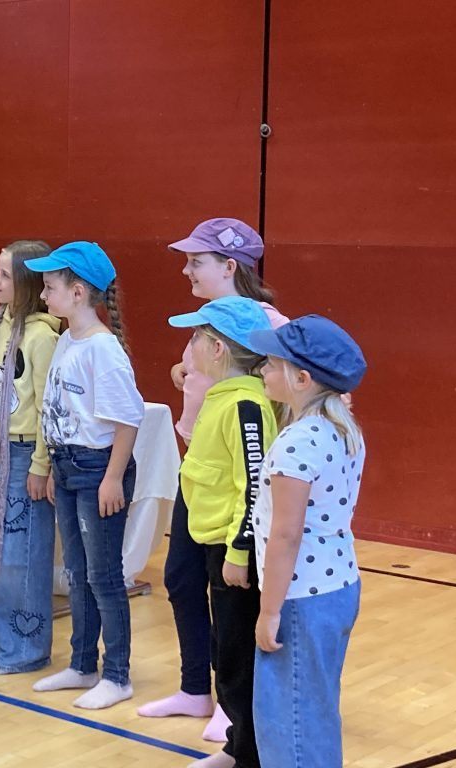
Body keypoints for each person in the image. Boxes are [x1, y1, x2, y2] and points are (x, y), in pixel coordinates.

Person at [140, 218, 288, 741]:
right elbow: (200, 371)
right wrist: (183, 372)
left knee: (229, 597)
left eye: (196, 261)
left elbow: (290, 394)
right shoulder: (207, 324)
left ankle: (235, 706)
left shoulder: (265, 326)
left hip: (234, 483)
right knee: (182, 579)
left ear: (229, 266)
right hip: (199, 469)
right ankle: (194, 689)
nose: (186, 270)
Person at [23, 241, 144, 710]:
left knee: (103, 576)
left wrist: (112, 478)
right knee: (76, 572)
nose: (43, 295)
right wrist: (56, 466)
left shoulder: (103, 349)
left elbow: (127, 421)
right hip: (69, 466)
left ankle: (117, 674)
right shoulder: (66, 340)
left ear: (77, 293)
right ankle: (82, 663)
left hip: (98, 471)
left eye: (50, 287)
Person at [249, 316, 367, 768]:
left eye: (271, 363)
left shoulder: (298, 441)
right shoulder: (342, 426)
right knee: (314, 711)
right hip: (337, 586)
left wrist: (270, 611)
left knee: (289, 723)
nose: (262, 370)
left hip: (300, 598)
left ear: (302, 379)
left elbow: (286, 533)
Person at [166, 296, 277, 768]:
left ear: (218, 349)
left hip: (234, 552)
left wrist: (239, 551)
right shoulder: (220, 398)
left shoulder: (246, 405)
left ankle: (251, 755)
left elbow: (254, 485)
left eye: (196, 337)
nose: (189, 346)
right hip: (212, 543)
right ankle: (237, 746)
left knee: (237, 659)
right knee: (224, 651)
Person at [0, 241, 59, 675]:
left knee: (19, 554)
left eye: (5, 274)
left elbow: (47, 409)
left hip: (23, 454)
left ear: (27, 283)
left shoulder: (43, 337)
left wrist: (41, 464)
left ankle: (24, 648)